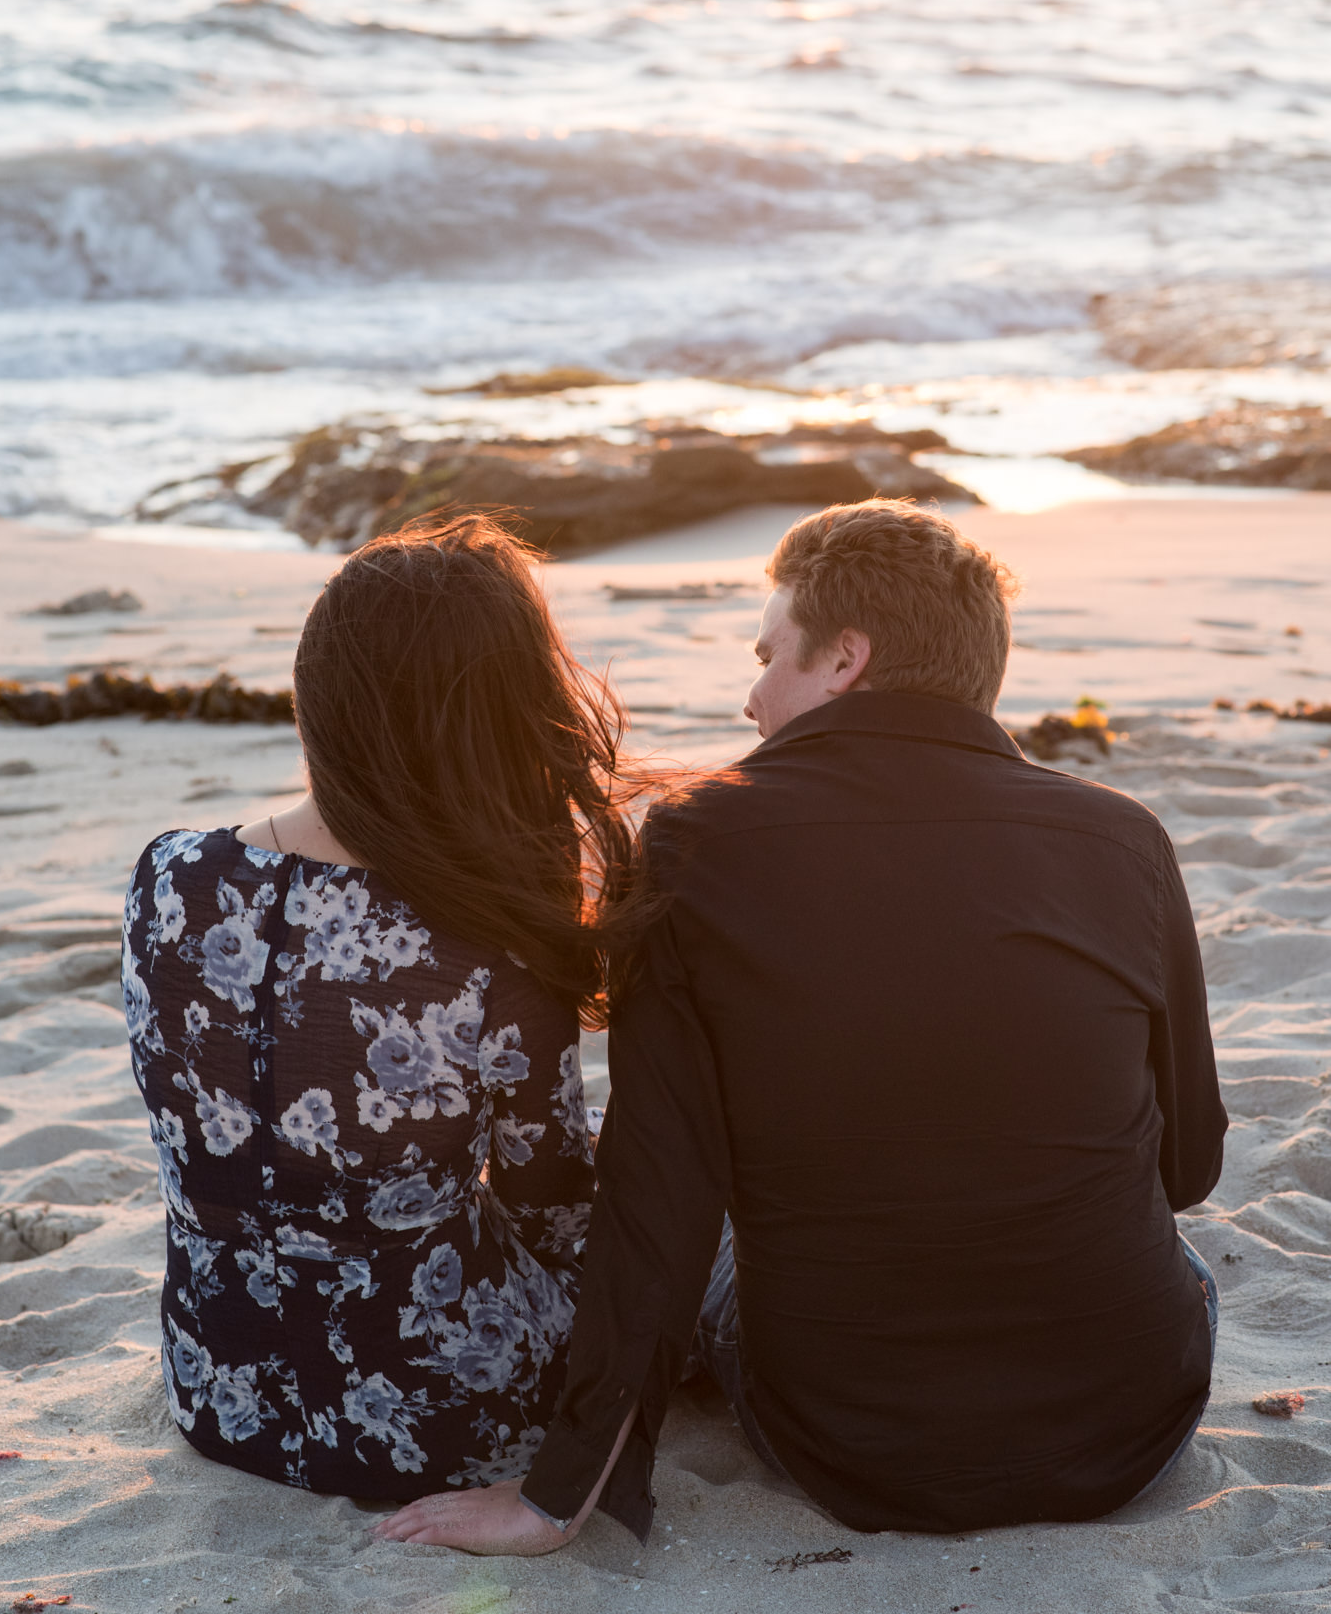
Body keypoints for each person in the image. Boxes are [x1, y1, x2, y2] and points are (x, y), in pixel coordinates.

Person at [373, 499, 1227, 1554]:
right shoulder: (1124, 840)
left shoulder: (695, 840)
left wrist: (554, 1496)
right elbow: (1186, 1167)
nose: (749, 695)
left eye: (769, 652)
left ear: (843, 659)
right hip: (1126, 1426)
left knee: (735, 1230)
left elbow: (659, 1196)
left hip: (844, 1441)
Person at [121, 514, 644, 1500]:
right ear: (499, 722)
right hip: (432, 1407)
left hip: (218, 1385)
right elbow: (554, 1205)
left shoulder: (167, 875)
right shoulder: (486, 943)